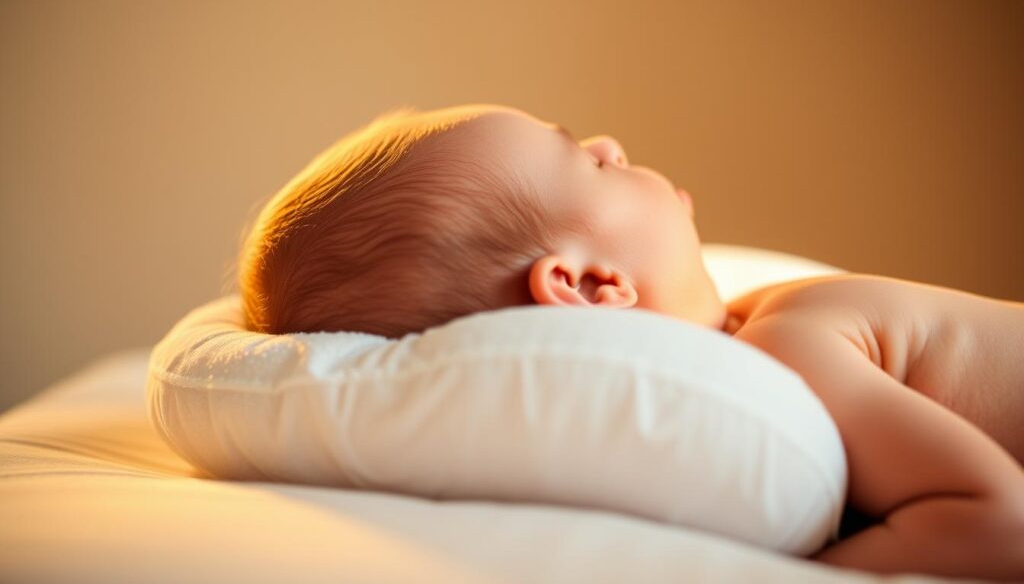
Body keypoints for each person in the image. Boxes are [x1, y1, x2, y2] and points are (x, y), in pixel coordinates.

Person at [237, 104, 1024, 580]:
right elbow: (996, 523)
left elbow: (992, 519)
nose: (613, 144)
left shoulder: (782, 335)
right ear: (587, 286)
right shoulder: (788, 351)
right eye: (586, 159)